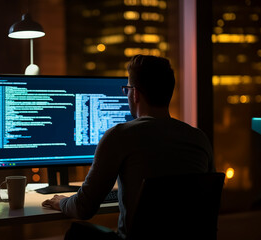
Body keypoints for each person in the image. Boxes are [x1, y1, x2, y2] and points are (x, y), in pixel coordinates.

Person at [42, 54, 214, 239]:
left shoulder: (120, 135)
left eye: (127, 89)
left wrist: (62, 202)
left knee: (76, 233)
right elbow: (209, 203)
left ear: (136, 93)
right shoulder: (199, 138)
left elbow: (83, 208)